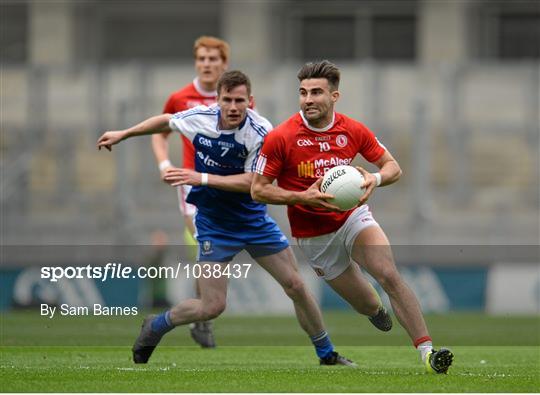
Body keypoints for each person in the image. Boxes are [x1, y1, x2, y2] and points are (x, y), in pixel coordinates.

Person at [97, 70, 355, 367]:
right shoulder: (201, 118)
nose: (233, 107)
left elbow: (252, 183)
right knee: (212, 306)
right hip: (214, 224)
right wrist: (124, 133)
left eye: (240, 101)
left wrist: (201, 177)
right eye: (227, 100)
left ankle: (327, 354)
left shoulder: (260, 132)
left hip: (253, 221)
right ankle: (156, 325)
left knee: (296, 285)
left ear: (250, 101)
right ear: (217, 100)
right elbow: (165, 120)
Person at [251, 60, 454, 374]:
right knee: (367, 304)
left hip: (352, 219)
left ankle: (427, 353)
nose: (308, 99)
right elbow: (259, 190)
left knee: (388, 274)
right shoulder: (282, 137)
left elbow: (393, 168)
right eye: (303, 92)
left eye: (316, 92)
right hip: (314, 236)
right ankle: (375, 310)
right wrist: (302, 197)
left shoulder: (352, 130)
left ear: (334, 96)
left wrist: (374, 179)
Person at [152, 36, 230, 348]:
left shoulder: (236, 97)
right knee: (206, 245)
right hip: (191, 183)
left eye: (213, 59)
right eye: (202, 59)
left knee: (216, 254)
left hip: (226, 185)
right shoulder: (180, 98)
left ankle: (202, 312)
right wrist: (163, 165)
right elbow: (159, 134)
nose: (207, 64)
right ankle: (202, 317)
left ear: (224, 64)